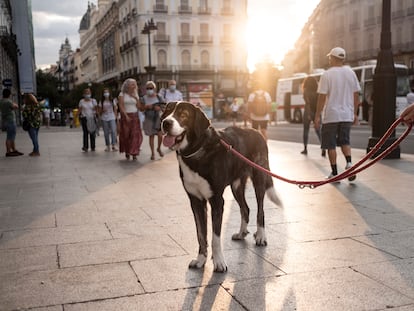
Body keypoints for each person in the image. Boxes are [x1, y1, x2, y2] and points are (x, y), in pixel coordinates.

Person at [314, 47, 360, 181]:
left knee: (330, 145)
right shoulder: (351, 73)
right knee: (345, 141)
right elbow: (356, 95)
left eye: (329, 58)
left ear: (333, 58)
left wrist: (317, 115)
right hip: (346, 115)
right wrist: (355, 113)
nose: (328, 60)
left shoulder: (326, 74)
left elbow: (322, 98)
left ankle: (334, 173)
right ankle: (349, 164)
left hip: (331, 115)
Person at [117, 78, 143, 160]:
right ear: (127, 85)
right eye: (132, 84)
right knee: (126, 135)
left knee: (135, 135)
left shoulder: (136, 94)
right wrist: (126, 116)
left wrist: (136, 98)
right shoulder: (122, 94)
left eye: (135, 84)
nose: (134, 86)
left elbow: (139, 106)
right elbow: (121, 106)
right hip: (126, 115)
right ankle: (127, 151)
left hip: (135, 115)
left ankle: (134, 152)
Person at [301, 76, 325, 157]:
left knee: (306, 130)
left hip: (308, 111)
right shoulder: (318, 90)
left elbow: (307, 103)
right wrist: (318, 113)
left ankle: (305, 148)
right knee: (318, 130)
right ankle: (323, 147)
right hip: (316, 111)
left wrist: (308, 114)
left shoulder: (306, 91)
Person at [142, 80, 165, 160]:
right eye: (148, 88)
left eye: (151, 88)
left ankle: (159, 148)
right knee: (151, 136)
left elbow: (164, 106)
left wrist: (159, 108)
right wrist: (147, 107)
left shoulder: (159, 97)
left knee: (160, 135)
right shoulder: (144, 98)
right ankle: (152, 153)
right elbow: (141, 108)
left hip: (158, 118)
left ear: (154, 88)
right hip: (148, 118)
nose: (149, 89)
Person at [0, 89, 23, 157]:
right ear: (9, 94)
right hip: (10, 121)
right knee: (10, 137)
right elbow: (16, 106)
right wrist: (13, 102)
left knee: (11, 136)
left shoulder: (1, 101)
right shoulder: (8, 101)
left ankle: (14, 150)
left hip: (5, 121)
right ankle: (8, 151)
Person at [78, 88, 98, 152]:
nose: (88, 94)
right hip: (84, 118)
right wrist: (76, 117)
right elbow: (80, 110)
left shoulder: (93, 101)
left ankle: (93, 146)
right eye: (86, 93)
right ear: (84, 94)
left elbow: (96, 109)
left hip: (92, 117)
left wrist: (96, 111)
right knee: (85, 133)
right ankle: (85, 146)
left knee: (92, 132)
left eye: (89, 93)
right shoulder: (81, 101)